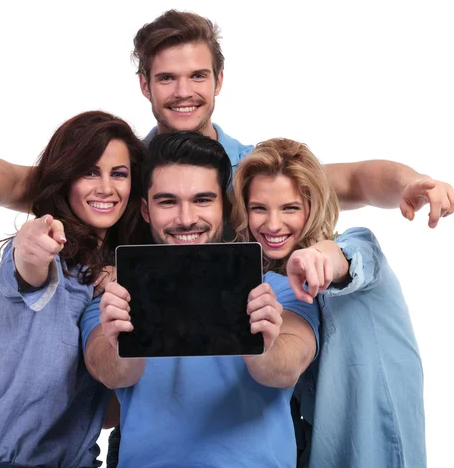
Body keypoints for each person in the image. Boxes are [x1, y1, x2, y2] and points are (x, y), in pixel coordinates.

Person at [0, 11, 454, 230]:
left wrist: (411, 183)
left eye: (197, 77)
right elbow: (26, 183)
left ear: (219, 81)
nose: (184, 93)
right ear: (144, 86)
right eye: (166, 79)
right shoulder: (121, 168)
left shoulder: (252, 167)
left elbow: (354, 178)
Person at [81, 131, 321, 468]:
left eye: (203, 200)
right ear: (146, 210)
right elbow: (106, 369)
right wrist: (122, 339)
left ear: (225, 206)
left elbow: (287, 366)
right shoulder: (114, 294)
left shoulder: (279, 287)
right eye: (167, 201)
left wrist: (263, 346)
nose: (186, 218)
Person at [231, 138, 426, 467]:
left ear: (312, 206)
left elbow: (340, 259)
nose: (273, 224)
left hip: (378, 451)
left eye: (290, 208)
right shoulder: (269, 286)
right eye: (259, 208)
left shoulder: (358, 246)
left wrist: (318, 257)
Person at [0, 110, 147, 468]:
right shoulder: (49, 251)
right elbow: (31, 263)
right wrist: (31, 245)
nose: (106, 188)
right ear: (66, 177)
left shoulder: (109, 272)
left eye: (119, 174)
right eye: (90, 171)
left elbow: (107, 413)